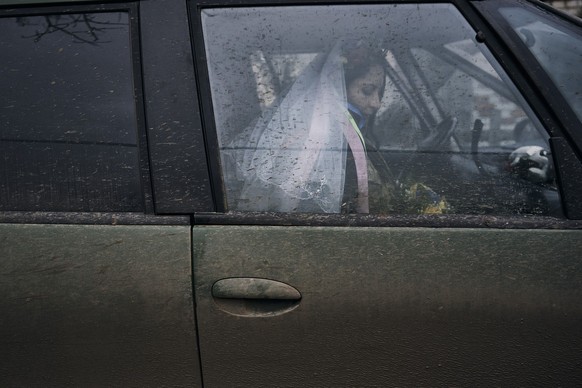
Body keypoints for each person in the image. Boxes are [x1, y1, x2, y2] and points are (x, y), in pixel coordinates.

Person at [224, 40, 447, 214]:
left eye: (380, 92)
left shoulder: (345, 137)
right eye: (367, 91)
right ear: (337, 88)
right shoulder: (322, 143)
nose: (377, 103)